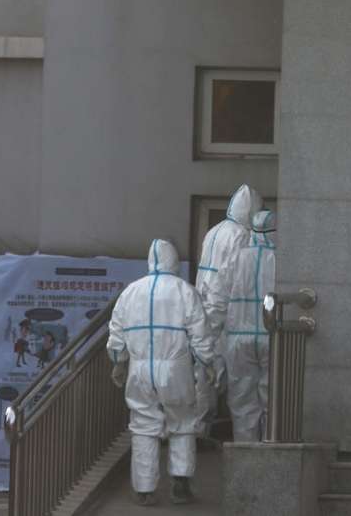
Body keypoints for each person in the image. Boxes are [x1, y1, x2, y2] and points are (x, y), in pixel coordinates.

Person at [106, 239, 216, 506]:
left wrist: (119, 362)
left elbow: (116, 336)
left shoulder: (130, 292)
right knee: (182, 423)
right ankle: (180, 483)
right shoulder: (184, 291)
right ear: (174, 262)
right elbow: (200, 335)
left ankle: (144, 489)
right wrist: (207, 363)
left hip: (140, 369)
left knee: (143, 427)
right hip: (175, 369)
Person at [194, 184, 263, 437]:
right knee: (235, 382)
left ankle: (200, 429)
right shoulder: (242, 236)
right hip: (228, 315)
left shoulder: (214, 231)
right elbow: (231, 279)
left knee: (204, 372)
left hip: (205, 310)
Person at [207, 210, 276, 441]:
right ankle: (271, 455)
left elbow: (217, 301)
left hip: (238, 341)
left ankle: (246, 461)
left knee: (242, 405)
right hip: (273, 338)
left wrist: (207, 344)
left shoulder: (235, 259)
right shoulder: (284, 259)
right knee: (274, 403)